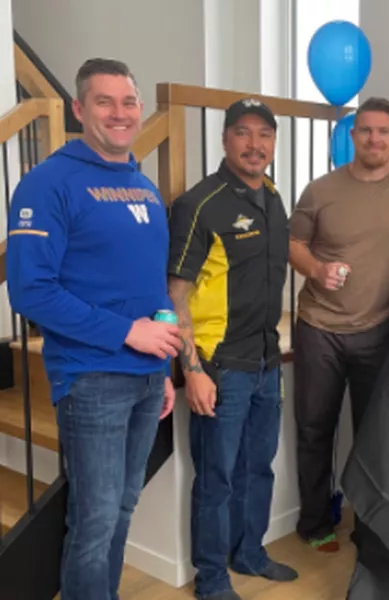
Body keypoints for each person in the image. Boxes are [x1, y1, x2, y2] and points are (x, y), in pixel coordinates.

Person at [5, 58, 181, 600]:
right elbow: (31, 291)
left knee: (122, 508)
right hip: (92, 378)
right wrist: (129, 334)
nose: (120, 113)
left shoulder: (142, 185)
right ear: (80, 109)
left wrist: (165, 365)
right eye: (104, 102)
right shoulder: (48, 183)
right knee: (95, 520)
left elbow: (152, 288)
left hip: (147, 376)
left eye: (129, 102)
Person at [289, 97, 389, 552]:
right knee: (315, 429)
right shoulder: (320, 189)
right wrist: (316, 271)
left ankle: (371, 530)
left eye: (383, 132)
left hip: (379, 327)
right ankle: (315, 525)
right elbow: (293, 244)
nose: (374, 138)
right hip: (318, 326)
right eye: (365, 130)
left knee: (376, 437)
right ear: (352, 137)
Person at [168, 98, 297, 600]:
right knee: (216, 477)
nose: (255, 144)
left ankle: (249, 553)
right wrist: (192, 368)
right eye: (243, 133)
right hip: (221, 367)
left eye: (264, 135)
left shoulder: (274, 198)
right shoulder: (199, 204)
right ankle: (212, 578)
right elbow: (174, 294)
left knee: (258, 466)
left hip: (267, 360)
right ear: (224, 140)